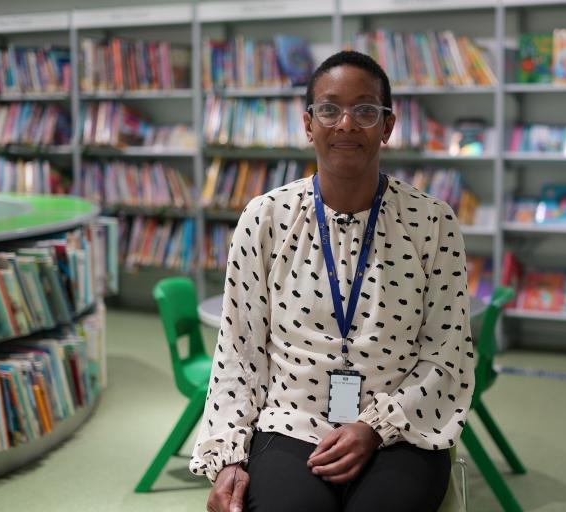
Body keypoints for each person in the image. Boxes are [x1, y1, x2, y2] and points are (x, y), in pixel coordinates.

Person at [191, 50, 475, 512]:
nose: (346, 124)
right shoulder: (265, 218)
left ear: (387, 126)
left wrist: (374, 426)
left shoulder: (432, 222)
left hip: (400, 426)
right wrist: (228, 456)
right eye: (329, 109)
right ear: (308, 124)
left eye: (365, 110)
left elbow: (448, 353)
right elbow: (239, 352)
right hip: (292, 419)